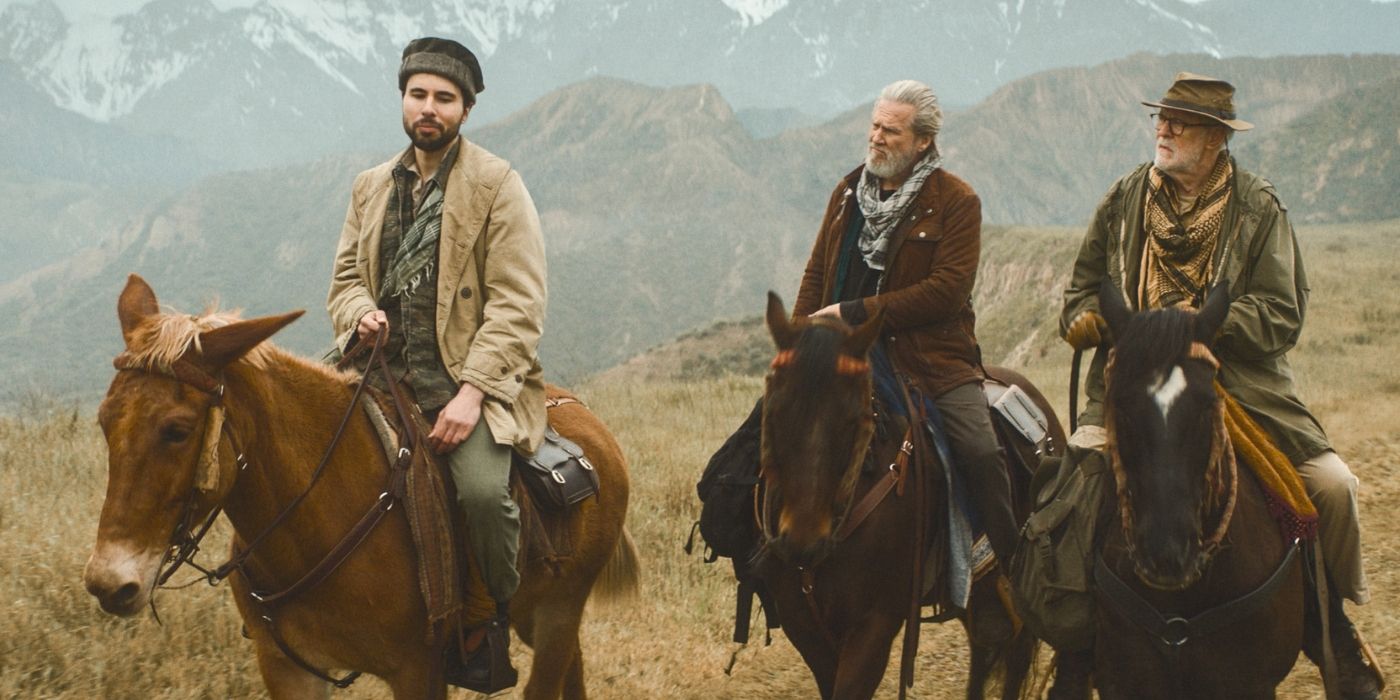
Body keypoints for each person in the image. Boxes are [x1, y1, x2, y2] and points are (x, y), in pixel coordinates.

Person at [1060, 72, 1381, 699]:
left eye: (1181, 122)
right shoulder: (1125, 198)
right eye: (1163, 117)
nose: (1165, 128)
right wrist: (1083, 321)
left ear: (1215, 140)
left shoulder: (1257, 207)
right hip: (1134, 385)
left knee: (1332, 489)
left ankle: (1328, 626)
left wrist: (1213, 326)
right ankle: (1073, 646)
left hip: (1237, 384)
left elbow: (1282, 311)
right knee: (1073, 488)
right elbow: (1081, 286)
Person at [326, 36, 547, 693]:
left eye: (443, 98)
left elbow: (518, 302)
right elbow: (343, 279)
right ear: (403, 100)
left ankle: (485, 618)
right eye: (418, 94)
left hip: (463, 380)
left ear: (465, 109)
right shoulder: (371, 188)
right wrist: (360, 311)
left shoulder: (497, 185)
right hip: (376, 369)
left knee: (481, 493)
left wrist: (472, 394)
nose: (429, 108)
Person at [793, 79, 1022, 577]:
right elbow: (816, 273)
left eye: (891, 131)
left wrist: (854, 313)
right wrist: (798, 342)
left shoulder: (957, 201)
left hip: (930, 360)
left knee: (980, 451)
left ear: (922, 142)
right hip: (842, 354)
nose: (876, 137)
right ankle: (764, 550)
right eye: (874, 125)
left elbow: (946, 291)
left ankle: (1009, 565)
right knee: (768, 434)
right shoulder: (848, 192)